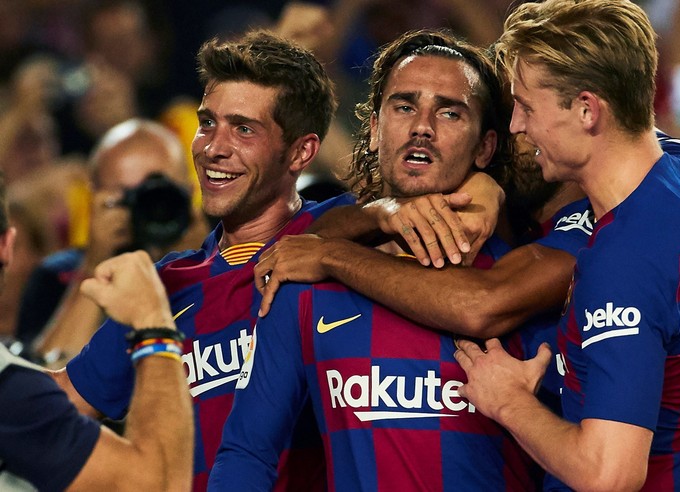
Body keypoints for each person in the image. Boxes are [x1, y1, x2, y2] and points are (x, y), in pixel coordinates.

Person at [210, 29, 589, 491]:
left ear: (486, 147)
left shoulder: (525, 284)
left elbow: (578, 460)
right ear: (373, 129)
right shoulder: (307, 278)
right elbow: (248, 453)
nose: (422, 125)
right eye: (404, 106)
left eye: (450, 112)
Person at [450, 1, 680, 490]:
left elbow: (609, 474)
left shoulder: (623, 263)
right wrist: (491, 185)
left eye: (527, 107)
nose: (516, 128)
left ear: (588, 110)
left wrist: (508, 401)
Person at [49, 30, 352, 491]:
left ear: (301, 152)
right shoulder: (162, 287)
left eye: (244, 129)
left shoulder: (345, 240)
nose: (213, 147)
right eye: (207, 122)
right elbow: (60, 404)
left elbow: (411, 206)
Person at [0, 171, 193, 491]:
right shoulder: (8, 388)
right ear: (7, 245)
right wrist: (153, 326)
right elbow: (162, 484)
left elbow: (51, 397)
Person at [17, 118, 205, 364]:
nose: (147, 208)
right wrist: (93, 268)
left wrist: (197, 266)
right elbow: (46, 387)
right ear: (95, 199)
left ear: (189, 193)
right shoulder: (57, 276)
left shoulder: (229, 257)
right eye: (129, 196)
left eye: (160, 193)